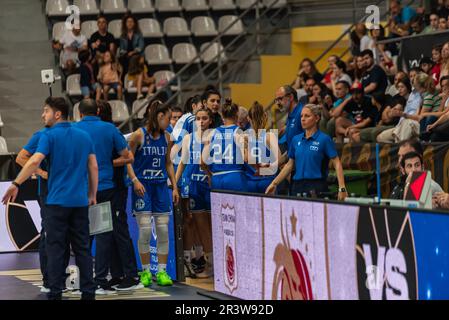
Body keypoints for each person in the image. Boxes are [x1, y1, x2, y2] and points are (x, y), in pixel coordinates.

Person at [2, 97, 98, 300]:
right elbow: (93, 166)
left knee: (55, 248)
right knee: (82, 249)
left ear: (57, 114)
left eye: (45, 111)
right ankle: (88, 293)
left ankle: (55, 292)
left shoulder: (48, 135)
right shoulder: (84, 136)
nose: (42, 114)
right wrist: (92, 194)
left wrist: (16, 183)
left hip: (56, 202)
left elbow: (33, 159)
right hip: (80, 202)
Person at [74, 99, 138, 293]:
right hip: (104, 188)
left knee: (81, 235)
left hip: (79, 189)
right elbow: (128, 157)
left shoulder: (74, 130)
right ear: (98, 110)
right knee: (103, 234)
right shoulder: (109, 129)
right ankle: (100, 280)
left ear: (80, 113)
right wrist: (109, 163)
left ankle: (81, 280)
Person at [127, 100, 180, 287]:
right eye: (168, 118)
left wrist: (174, 187)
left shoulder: (166, 137)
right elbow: (127, 160)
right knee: (145, 230)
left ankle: (163, 271)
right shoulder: (138, 135)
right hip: (143, 187)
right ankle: (146, 271)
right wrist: (134, 180)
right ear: (159, 116)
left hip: (160, 187)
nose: (170, 122)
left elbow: (168, 163)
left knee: (163, 229)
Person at [15, 113, 70, 294]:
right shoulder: (41, 135)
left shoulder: (69, 133)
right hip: (47, 192)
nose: (42, 115)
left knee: (64, 233)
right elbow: (21, 157)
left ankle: (60, 276)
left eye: (45, 111)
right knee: (48, 232)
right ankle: (48, 278)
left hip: (67, 191)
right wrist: (41, 172)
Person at [265, 104, 348, 200]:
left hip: (316, 186)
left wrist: (342, 188)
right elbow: (289, 165)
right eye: (301, 116)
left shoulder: (324, 139)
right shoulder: (296, 139)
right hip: (296, 186)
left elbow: (337, 163)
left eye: (307, 116)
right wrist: (274, 183)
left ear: (316, 118)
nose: (303, 119)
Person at [176, 107, 215, 278]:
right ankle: (210, 263)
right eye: (198, 118)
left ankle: (219, 262)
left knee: (214, 226)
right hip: (195, 186)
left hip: (211, 185)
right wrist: (175, 183)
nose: (201, 121)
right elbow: (182, 163)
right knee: (202, 227)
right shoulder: (188, 138)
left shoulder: (216, 137)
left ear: (210, 120)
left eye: (204, 118)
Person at [202, 99, 247, 192]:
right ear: (236, 116)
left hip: (216, 178)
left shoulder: (211, 133)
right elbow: (246, 158)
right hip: (234, 177)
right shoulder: (239, 132)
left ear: (222, 116)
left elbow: (202, 162)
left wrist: (210, 175)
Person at [245, 102, 279, 193]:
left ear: (248, 118)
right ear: (265, 117)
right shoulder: (270, 136)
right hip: (267, 181)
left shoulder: (244, 136)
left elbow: (245, 159)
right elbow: (279, 160)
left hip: (250, 181)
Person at [377, 76, 422, 143]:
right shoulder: (408, 97)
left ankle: (400, 150)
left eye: (402, 87)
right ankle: (396, 150)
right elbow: (388, 115)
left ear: (408, 87)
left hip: (411, 124)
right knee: (380, 138)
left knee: (401, 135)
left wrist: (401, 114)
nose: (399, 89)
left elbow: (417, 116)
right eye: (398, 87)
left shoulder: (419, 96)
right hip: (400, 125)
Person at [119, 14, 144, 80]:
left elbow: (140, 47)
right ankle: (125, 80)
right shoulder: (123, 36)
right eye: (128, 22)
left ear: (134, 24)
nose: (129, 23)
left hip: (136, 55)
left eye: (131, 22)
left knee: (133, 59)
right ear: (125, 24)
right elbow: (121, 49)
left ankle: (131, 78)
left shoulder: (138, 35)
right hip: (126, 55)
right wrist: (126, 53)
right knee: (121, 60)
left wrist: (132, 52)